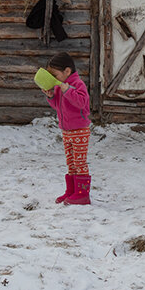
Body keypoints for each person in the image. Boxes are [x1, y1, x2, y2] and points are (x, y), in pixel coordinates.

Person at [43, 51, 92, 205]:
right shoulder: (59, 87)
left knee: (79, 163)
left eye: (55, 75)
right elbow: (57, 106)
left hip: (80, 131)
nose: (53, 79)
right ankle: (71, 191)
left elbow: (81, 103)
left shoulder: (77, 85)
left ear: (67, 71)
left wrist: (67, 90)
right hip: (66, 131)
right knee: (71, 163)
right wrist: (51, 96)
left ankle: (83, 194)